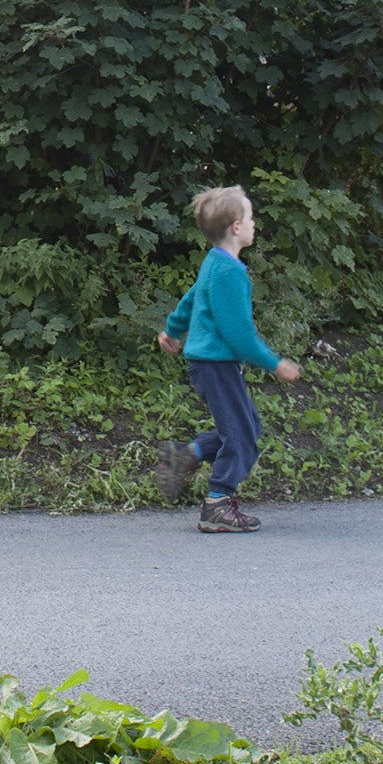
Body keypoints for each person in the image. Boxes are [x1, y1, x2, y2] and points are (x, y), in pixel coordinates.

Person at [150, 185, 302, 533]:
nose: (254, 224)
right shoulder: (230, 271)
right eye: (250, 217)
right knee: (241, 436)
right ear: (236, 226)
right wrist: (274, 363)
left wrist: (173, 330)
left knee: (246, 427)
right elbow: (239, 334)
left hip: (212, 366)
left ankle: (185, 455)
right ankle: (217, 504)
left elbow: (190, 299)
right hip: (216, 366)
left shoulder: (216, 262)